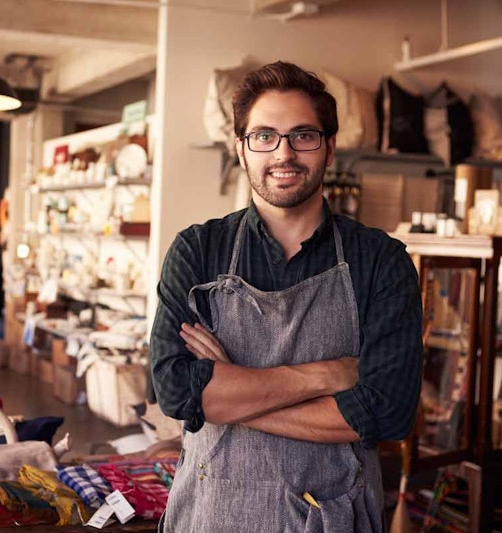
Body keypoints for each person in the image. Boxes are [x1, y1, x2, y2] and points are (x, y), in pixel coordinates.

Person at [150, 61, 422, 532]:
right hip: (214, 514)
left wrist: (226, 396)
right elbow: (176, 391)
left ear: (330, 148)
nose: (284, 153)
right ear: (241, 149)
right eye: (264, 136)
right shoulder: (197, 251)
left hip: (334, 519)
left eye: (303, 135)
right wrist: (327, 375)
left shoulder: (381, 260)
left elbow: (386, 412)